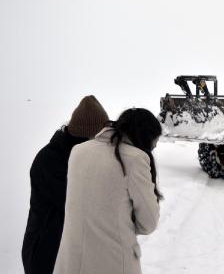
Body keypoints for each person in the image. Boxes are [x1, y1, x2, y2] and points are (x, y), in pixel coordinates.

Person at [53, 108, 162, 274]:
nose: (153, 147)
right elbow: (148, 223)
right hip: (112, 262)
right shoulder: (135, 159)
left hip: (71, 262)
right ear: (145, 137)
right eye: (153, 143)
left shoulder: (78, 151)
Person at [22, 95, 109, 274]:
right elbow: (79, 203)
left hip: (70, 251)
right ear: (85, 137)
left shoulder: (81, 156)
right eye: (99, 138)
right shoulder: (50, 161)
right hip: (46, 253)